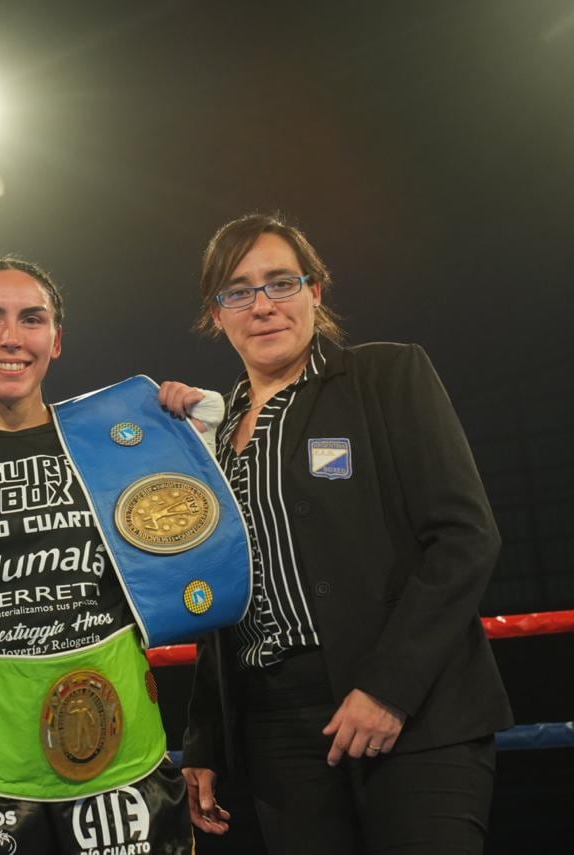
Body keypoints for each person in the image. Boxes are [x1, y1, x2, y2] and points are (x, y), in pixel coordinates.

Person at [161, 212, 512, 854]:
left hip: (413, 714)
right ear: (216, 314)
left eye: (281, 283)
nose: (262, 305)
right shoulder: (207, 432)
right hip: (274, 731)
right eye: (238, 291)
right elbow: (218, 591)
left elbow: (465, 537)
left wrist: (388, 689)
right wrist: (207, 737)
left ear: (315, 291)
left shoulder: (386, 377)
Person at [0, 257, 204, 855]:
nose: (11, 339)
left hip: (122, 756)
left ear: (56, 339)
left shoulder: (108, 440)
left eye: (32, 319)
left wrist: (197, 450)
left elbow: (190, 574)